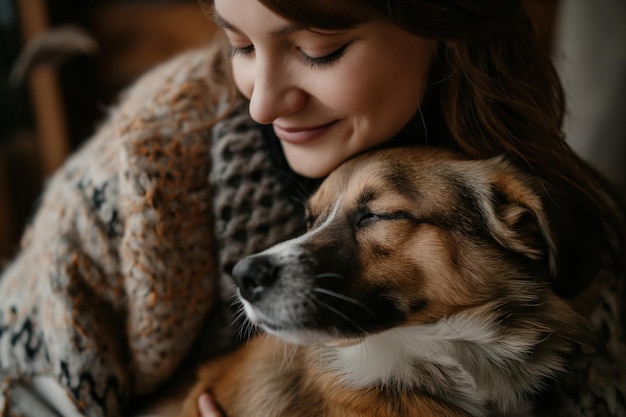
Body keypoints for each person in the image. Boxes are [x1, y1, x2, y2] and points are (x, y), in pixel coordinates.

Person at [0, 0, 623, 416]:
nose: (263, 104)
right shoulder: (149, 156)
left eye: (319, 49)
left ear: (440, 22)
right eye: (239, 44)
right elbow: (18, 374)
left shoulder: (565, 214)